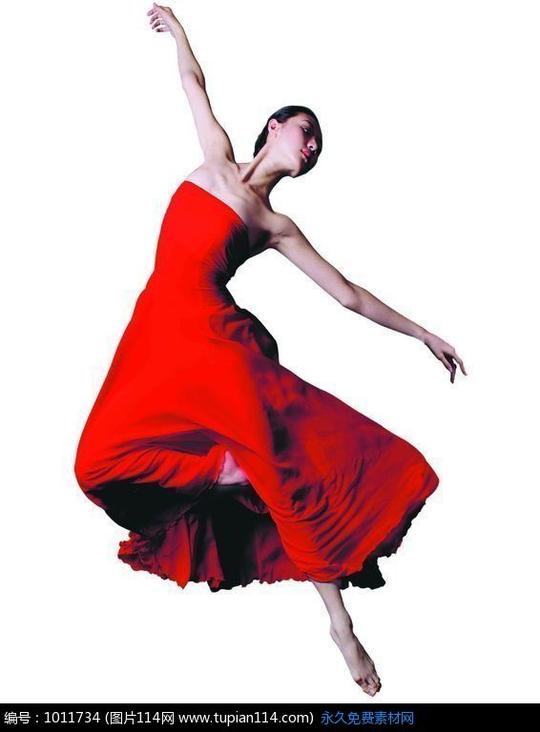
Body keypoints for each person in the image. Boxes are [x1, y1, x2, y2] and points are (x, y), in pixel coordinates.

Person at [74, 3, 467, 697]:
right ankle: (229, 472)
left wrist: (424, 333)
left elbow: (348, 294)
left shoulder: (274, 224)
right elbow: (194, 83)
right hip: (156, 335)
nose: (311, 146)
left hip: (215, 346)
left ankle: (340, 625)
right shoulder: (215, 159)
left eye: (318, 146)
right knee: (95, 463)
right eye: (306, 131)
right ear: (274, 125)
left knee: (285, 475)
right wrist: (179, 32)